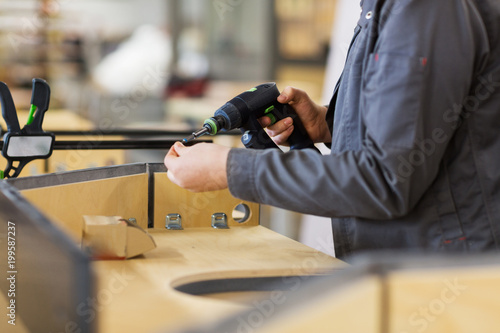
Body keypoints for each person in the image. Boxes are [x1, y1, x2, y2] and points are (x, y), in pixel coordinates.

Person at [165, 0, 500, 260]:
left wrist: (228, 169)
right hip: (405, 268)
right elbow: (417, 125)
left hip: (441, 278)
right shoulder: (382, 8)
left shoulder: (420, 10)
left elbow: (385, 180)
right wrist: (329, 125)